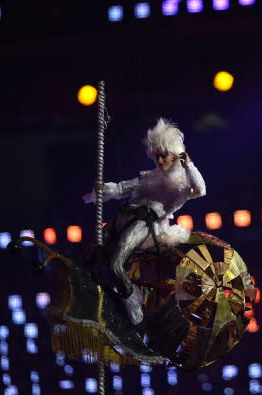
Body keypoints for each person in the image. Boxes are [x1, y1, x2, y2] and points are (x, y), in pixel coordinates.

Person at [83, 118, 206, 324]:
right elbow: (123, 188)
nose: (159, 161)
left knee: (115, 264)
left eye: (163, 155)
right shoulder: (150, 176)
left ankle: (134, 308)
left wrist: (190, 166)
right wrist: (103, 189)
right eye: (156, 156)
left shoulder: (182, 184)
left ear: (175, 154)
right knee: (90, 252)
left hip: (147, 225)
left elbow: (200, 190)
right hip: (124, 217)